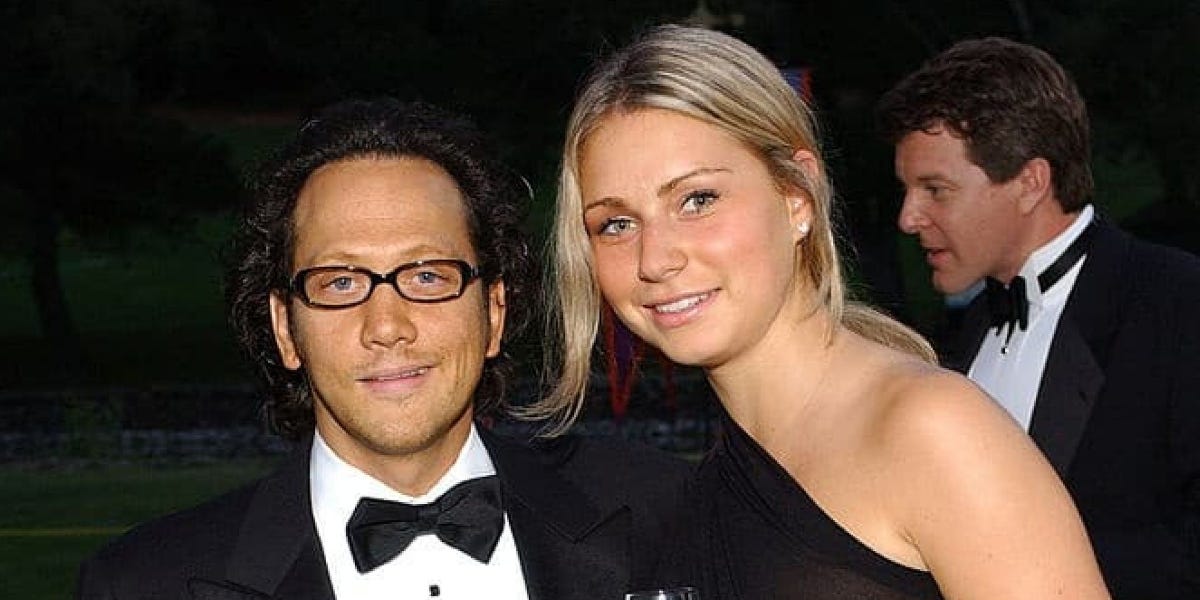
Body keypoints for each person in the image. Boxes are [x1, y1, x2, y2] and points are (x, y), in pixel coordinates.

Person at [531, 24, 1112, 599]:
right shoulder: (707, 485)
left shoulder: (932, 432)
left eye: (697, 200)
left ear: (797, 197)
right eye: (617, 224)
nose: (655, 259)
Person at [76, 98, 687, 600]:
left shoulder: (665, 514)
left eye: (428, 276)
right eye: (340, 283)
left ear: (494, 312)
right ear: (286, 328)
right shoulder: (141, 584)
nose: (387, 325)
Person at [878, 37, 1200, 599]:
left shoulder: (1179, 305)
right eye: (907, 190)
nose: (908, 218)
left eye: (935, 190)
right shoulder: (964, 334)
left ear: (1030, 183)